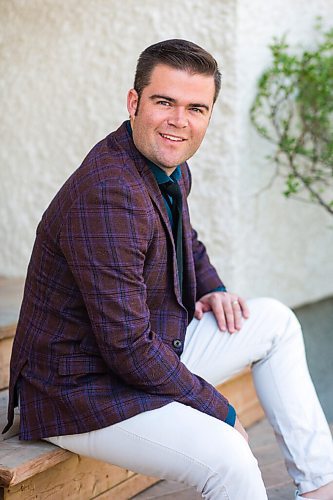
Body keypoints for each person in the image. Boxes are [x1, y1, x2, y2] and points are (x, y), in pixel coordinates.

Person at [4, 39, 333, 500]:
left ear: (209, 116)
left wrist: (214, 287)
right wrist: (222, 411)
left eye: (196, 108)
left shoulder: (169, 164)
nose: (180, 121)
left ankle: (321, 487)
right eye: (165, 102)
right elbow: (127, 347)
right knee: (229, 458)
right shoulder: (109, 194)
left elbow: (187, 242)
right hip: (79, 389)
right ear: (134, 102)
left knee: (275, 320)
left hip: (138, 354)